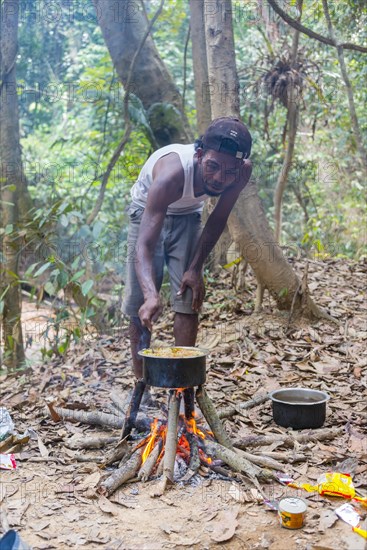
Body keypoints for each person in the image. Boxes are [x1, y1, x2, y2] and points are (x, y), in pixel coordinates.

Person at [122, 116, 252, 381]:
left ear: (239, 166)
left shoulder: (241, 172)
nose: (219, 179)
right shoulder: (171, 173)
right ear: (199, 154)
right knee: (141, 304)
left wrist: (195, 268)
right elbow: (144, 247)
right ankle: (142, 384)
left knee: (188, 295)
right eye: (213, 167)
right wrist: (150, 294)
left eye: (229, 172)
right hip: (146, 212)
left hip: (188, 215)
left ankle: (182, 384)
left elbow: (218, 218)